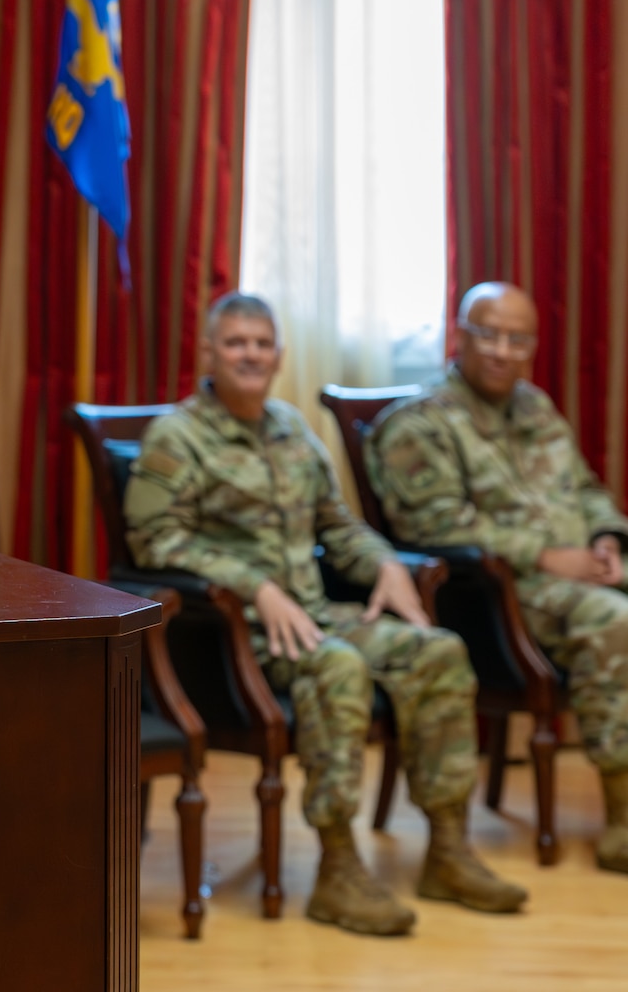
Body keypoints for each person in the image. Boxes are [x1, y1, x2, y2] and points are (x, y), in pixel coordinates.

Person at [123, 292, 526, 936]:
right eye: (236, 342)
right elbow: (155, 543)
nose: (250, 354)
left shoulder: (291, 430)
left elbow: (339, 527)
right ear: (208, 352)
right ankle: (337, 872)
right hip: (230, 639)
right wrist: (256, 587)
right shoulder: (178, 436)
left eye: (261, 343)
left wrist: (387, 562)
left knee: (439, 649)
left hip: (311, 616)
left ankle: (447, 852)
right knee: (337, 667)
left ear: (279, 354)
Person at [368, 280, 628, 874]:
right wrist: (544, 555)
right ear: (459, 335)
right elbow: (432, 526)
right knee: (618, 621)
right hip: (496, 600)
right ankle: (621, 822)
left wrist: (604, 538)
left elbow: (587, 490)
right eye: (488, 333)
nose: (502, 350)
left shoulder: (534, 406)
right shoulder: (420, 422)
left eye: (518, 339)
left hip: (575, 573)